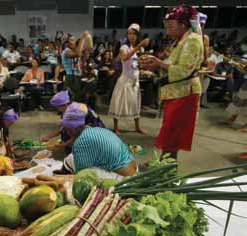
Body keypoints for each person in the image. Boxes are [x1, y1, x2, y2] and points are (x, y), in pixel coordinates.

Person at [140, 4, 204, 160]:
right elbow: (172, 63)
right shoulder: (182, 39)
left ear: (183, 25)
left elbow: (183, 70)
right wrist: (155, 65)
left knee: (174, 133)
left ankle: (167, 168)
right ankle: (165, 163)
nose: (167, 32)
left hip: (185, 93)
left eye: (170, 27)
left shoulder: (193, 40)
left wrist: (159, 64)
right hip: (176, 92)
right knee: (170, 131)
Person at [54, 103, 137, 176]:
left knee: (82, 170)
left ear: (77, 127)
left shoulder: (81, 142)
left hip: (124, 176)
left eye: (69, 129)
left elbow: (81, 176)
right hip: (131, 166)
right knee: (72, 158)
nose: (68, 133)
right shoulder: (91, 128)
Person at [109, 23, 149, 135]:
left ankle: (137, 127)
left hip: (134, 80)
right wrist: (139, 45)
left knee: (135, 103)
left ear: (137, 35)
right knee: (119, 103)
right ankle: (116, 127)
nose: (131, 36)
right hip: (125, 80)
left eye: (134, 34)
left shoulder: (136, 48)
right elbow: (125, 57)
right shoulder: (124, 47)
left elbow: (136, 63)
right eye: (129, 34)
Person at [62, 32, 92, 102]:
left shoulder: (75, 50)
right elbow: (78, 54)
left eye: (74, 40)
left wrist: (89, 38)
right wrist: (83, 38)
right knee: (71, 98)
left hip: (77, 76)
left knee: (77, 98)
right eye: (71, 40)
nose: (74, 42)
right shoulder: (66, 52)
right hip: (70, 77)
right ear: (67, 43)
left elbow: (90, 49)